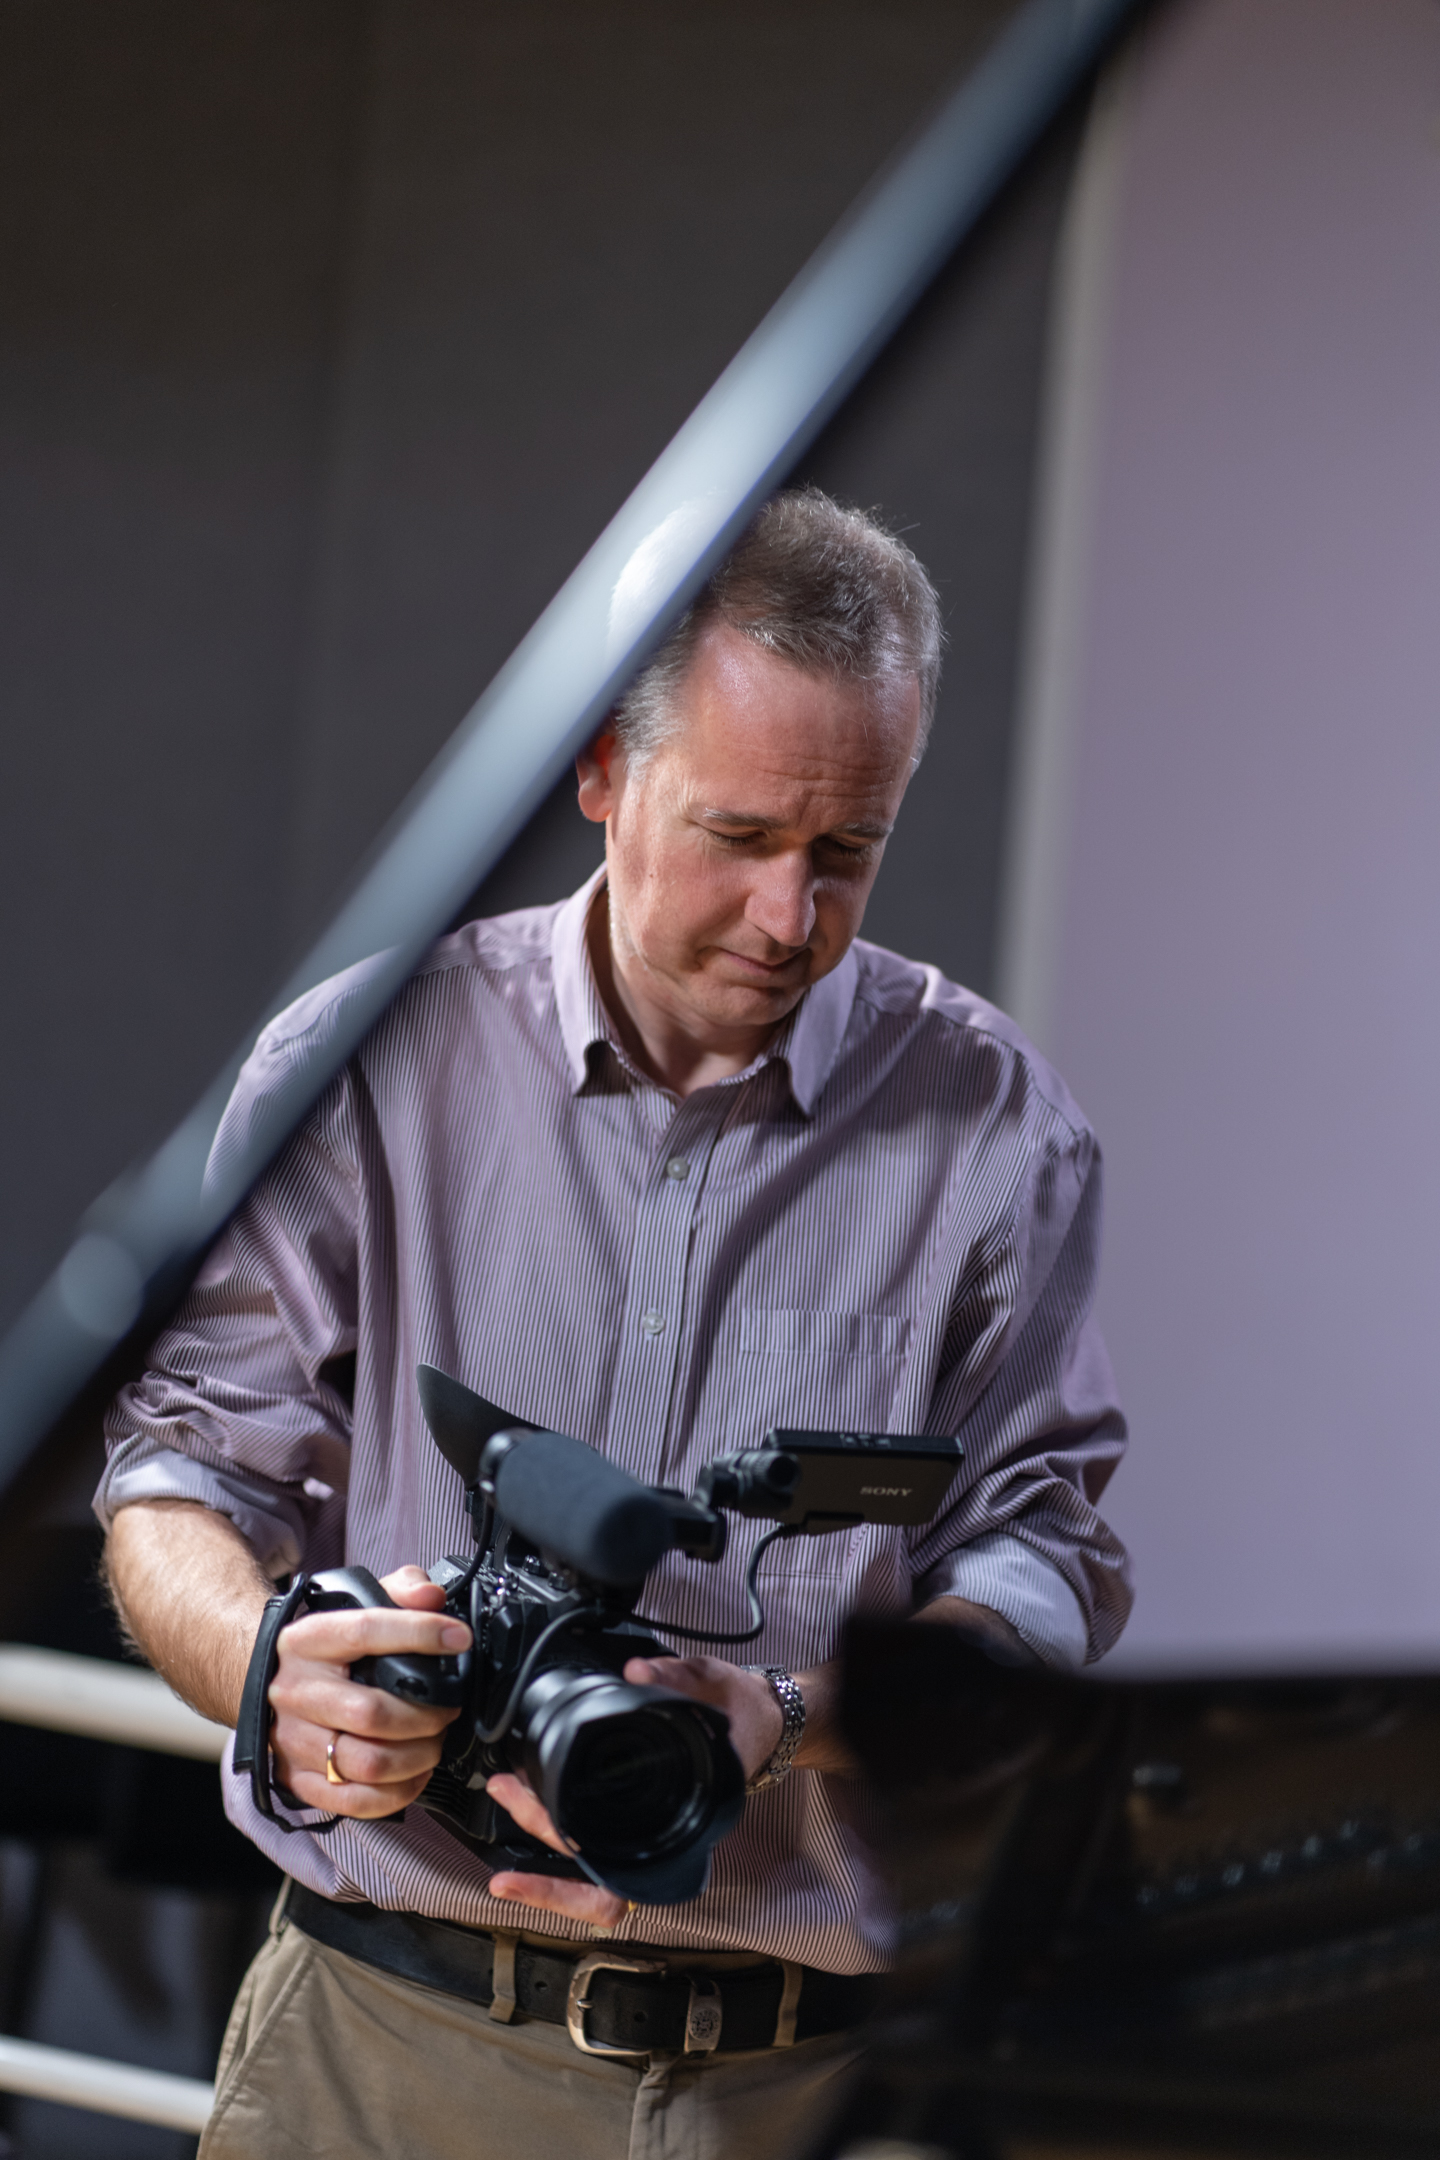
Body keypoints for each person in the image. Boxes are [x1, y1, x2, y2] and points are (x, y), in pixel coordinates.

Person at [99, 488, 1131, 2160]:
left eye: (846, 851)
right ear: (599, 772)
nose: (792, 920)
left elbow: (1045, 1569)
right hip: (386, 2051)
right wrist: (277, 1667)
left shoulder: (1004, 1130)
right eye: (740, 839)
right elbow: (180, 1477)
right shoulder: (362, 1066)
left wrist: (792, 1717)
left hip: (818, 2084)